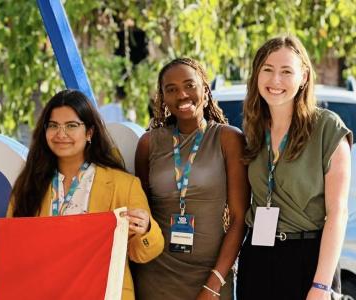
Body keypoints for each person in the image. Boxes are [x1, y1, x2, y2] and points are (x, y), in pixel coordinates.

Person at [7, 89, 164, 300]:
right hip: (43, 292)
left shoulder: (123, 184)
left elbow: (144, 253)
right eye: (53, 125)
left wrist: (145, 229)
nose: (61, 134)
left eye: (71, 126)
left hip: (104, 294)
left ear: (89, 132)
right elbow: (11, 244)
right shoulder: (28, 185)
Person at [237, 35, 352, 299]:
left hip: (309, 258)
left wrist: (321, 286)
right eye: (267, 69)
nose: (275, 80)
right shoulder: (253, 129)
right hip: (257, 257)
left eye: (286, 71)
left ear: (304, 77)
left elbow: (338, 213)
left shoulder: (327, 128)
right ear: (256, 75)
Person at [132, 58, 249, 300]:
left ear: (205, 90)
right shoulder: (148, 143)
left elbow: (239, 219)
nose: (182, 95)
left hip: (212, 276)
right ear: (163, 98)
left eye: (189, 85)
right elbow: (142, 211)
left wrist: (213, 285)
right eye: (171, 89)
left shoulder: (228, 139)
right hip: (155, 276)